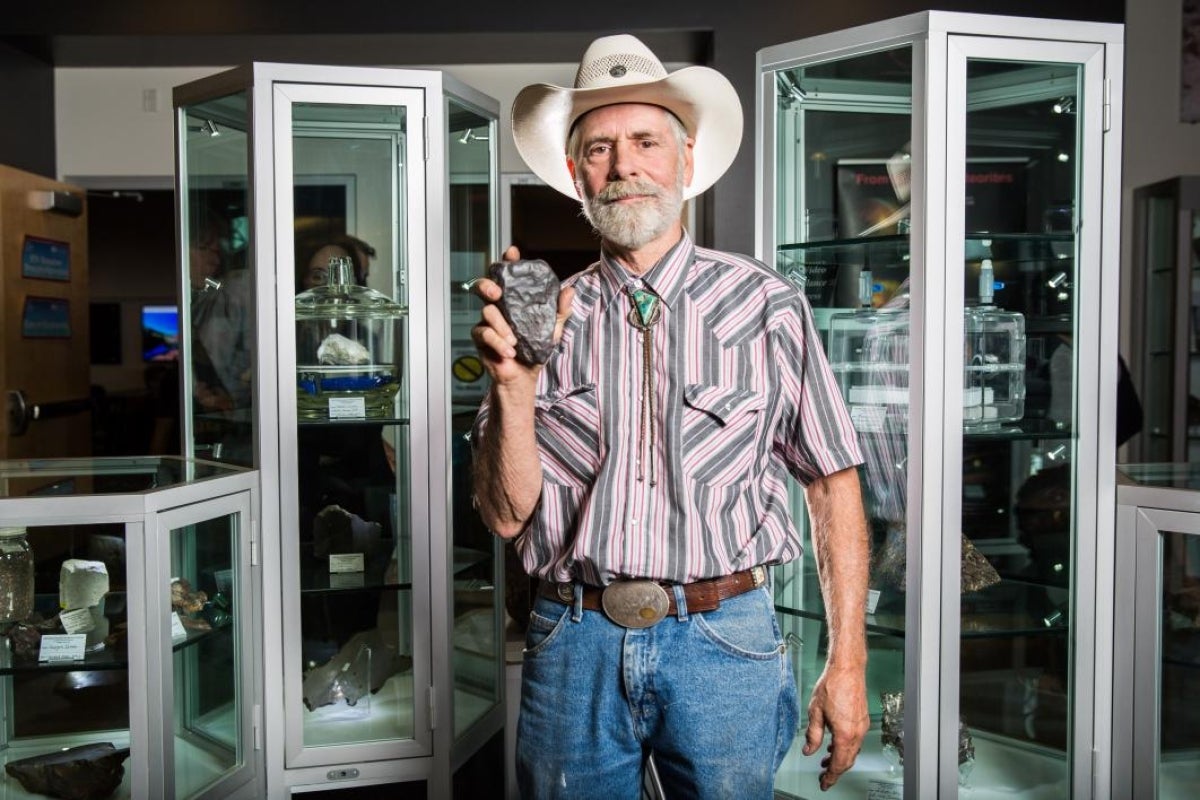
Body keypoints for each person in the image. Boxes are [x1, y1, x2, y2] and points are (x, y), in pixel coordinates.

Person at [469, 34, 870, 798]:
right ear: (573, 174)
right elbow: (505, 514)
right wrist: (514, 387)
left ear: (687, 158)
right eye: (598, 149)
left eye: (645, 142)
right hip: (574, 643)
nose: (623, 167)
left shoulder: (765, 304)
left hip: (726, 639)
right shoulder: (545, 315)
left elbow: (831, 484)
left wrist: (847, 661)